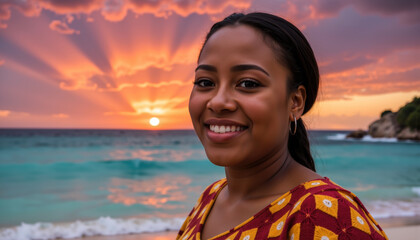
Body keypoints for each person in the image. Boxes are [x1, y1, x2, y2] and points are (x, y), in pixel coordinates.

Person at [177, 12, 388, 240]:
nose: (218, 102)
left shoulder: (322, 215)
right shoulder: (210, 198)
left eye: (248, 83)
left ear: (295, 102)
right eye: (205, 82)